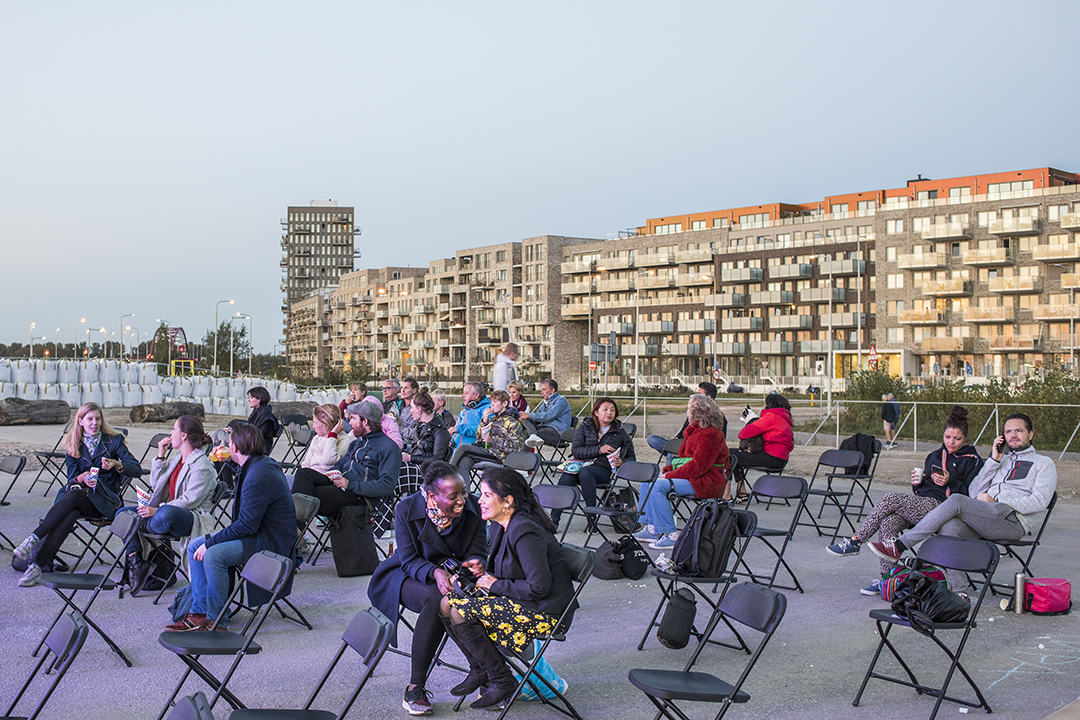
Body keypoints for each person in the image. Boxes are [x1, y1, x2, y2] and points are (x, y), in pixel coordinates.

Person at [868, 412, 1057, 595]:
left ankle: (899, 546)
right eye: (1008, 432)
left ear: (1030, 435)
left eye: (1019, 431)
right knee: (950, 527)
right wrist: (993, 460)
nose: (1013, 435)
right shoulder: (1001, 460)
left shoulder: (1043, 463)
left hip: (1012, 521)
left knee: (956, 500)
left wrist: (999, 500)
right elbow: (974, 492)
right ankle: (960, 591)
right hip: (987, 517)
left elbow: (1040, 501)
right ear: (1002, 436)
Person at [441, 467, 578, 710]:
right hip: (521, 601)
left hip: (545, 612)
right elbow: (506, 570)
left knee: (461, 612)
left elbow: (539, 587)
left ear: (507, 501)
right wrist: (477, 576)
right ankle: (481, 669)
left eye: (486, 495)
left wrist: (495, 584)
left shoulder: (525, 530)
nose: (479, 500)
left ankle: (500, 678)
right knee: (447, 602)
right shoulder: (500, 524)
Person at [368, 461, 488, 716]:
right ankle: (415, 687)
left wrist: (478, 563)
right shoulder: (407, 508)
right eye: (453, 496)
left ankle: (486, 672)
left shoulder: (473, 507)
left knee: (461, 598)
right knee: (437, 599)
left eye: (464, 492)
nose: (461, 500)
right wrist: (434, 572)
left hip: (458, 575)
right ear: (432, 495)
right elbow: (409, 559)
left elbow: (479, 549)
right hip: (406, 574)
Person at [826, 406, 984, 596]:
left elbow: (970, 496)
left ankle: (855, 541)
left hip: (944, 508)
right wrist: (917, 484)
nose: (951, 442)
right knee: (888, 523)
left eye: (957, 438)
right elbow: (921, 491)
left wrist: (950, 481)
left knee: (891, 498)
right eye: (948, 437)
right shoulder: (935, 455)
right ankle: (888, 580)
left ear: (965, 437)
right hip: (922, 505)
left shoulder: (973, 460)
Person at [166, 422, 296, 631]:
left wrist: (210, 543)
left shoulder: (258, 475)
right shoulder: (257, 465)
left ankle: (216, 620)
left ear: (236, 447)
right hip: (257, 533)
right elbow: (246, 521)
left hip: (269, 541)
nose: (226, 446)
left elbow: (246, 525)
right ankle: (199, 612)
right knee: (194, 546)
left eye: (229, 442)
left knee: (213, 554)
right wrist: (232, 463)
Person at [15, 402, 141, 587]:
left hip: (106, 502)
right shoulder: (74, 444)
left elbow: (136, 469)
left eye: (97, 418)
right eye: (89, 419)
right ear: (80, 421)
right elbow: (71, 479)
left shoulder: (114, 441)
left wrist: (116, 464)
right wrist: (81, 478)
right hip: (82, 498)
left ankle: (32, 539)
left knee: (73, 499)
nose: (94, 423)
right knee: (71, 511)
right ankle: (37, 566)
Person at [122, 415, 218, 571]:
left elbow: (189, 500)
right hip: (165, 512)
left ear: (184, 435)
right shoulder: (177, 458)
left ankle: (141, 526)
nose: (171, 433)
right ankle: (137, 563)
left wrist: (157, 510)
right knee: (124, 513)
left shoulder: (202, 465)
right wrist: (160, 457)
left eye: (174, 429)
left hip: (190, 516)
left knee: (165, 514)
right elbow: (156, 485)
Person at [634, 394, 729, 550]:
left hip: (707, 480)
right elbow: (684, 460)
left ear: (697, 412)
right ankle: (652, 527)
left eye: (689, 408)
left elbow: (699, 466)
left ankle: (670, 534)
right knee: (648, 480)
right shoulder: (693, 431)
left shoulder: (711, 434)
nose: (687, 412)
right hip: (694, 476)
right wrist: (668, 471)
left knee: (658, 486)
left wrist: (669, 475)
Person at [292, 401, 401, 523]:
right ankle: (296, 531)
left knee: (307, 495)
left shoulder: (388, 447)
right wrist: (333, 472)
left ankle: (294, 533)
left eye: (353, 418)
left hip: (360, 496)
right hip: (341, 485)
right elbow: (340, 464)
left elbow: (386, 486)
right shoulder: (357, 442)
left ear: (364, 421)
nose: (349, 422)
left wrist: (349, 484)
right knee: (303, 474)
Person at [551, 397, 636, 529]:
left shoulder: (619, 431)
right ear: (596, 412)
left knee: (587, 472)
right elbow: (576, 451)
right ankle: (553, 520)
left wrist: (623, 462)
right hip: (580, 466)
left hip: (602, 471)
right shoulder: (586, 427)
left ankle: (592, 518)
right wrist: (599, 450)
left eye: (612, 410)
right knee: (566, 478)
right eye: (605, 409)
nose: (609, 413)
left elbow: (632, 457)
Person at [449, 390, 526, 480]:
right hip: (487, 452)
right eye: (491, 402)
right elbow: (479, 438)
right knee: (464, 462)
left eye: (495, 402)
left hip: (500, 457)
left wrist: (492, 440)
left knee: (463, 448)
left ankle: (446, 474)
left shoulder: (513, 423)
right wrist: (484, 421)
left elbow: (514, 448)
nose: (492, 405)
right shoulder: (493, 419)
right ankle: (465, 493)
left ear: (504, 403)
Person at [729, 393, 794, 500]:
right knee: (737, 456)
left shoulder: (771, 417)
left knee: (729, 454)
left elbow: (743, 434)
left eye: (765, 404)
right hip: (782, 461)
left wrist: (752, 423)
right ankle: (741, 491)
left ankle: (728, 494)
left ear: (768, 405)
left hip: (769, 458)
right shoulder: (785, 419)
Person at [645, 382, 724, 461]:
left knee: (671, 454)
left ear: (708, 397)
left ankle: (675, 459)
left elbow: (718, 442)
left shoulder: (716, 417)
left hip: (694, 447)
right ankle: (677, 453)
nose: (696, 397)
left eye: (699, 394)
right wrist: (677, 437)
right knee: (652, 439)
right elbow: (684, 429)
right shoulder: (695, 413)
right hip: (682, 443)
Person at [296, 404, 352, 477]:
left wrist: (332, 436)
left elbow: (329, 460)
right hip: (309, 477)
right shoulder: (317, 438)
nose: (313, 426)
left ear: (326, 424)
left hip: (327, 478)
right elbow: (306, 463)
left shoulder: (345, 440)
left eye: (315, 422)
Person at [520, 378, 571, 446]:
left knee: (528, 434)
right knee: (524, 422)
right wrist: (524, 418)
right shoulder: (545, 403)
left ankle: (526, 454)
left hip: (557, 432)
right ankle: (533, 435)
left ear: (552, 390)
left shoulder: (561, 400)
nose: (541, 392)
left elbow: (549, 415)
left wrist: (529, 415)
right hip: (544, 429)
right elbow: (537, 417)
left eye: (544, 389)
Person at [451, 381, 490, 449]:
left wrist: (459, 429)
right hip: (455, 449)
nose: (462, 396)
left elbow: (483, 431)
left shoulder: (487, 410)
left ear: (476, 395)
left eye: (466, 393)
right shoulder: (464, 411)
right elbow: (455, 431)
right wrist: (450, 441)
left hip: (471, 452)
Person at [246, 386, 280, 456]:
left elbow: (258, 435)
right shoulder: (258, 412)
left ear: (259, 399)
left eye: (251, 398)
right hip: (252, 443)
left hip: (259, 448)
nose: (248, 400)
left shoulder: (266, 416)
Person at [399, 377, 421, 448]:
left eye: (406, 388)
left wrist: (397, 428)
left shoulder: (418, 408)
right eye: (402, 387)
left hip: (408, 446)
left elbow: (416, 433)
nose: (402, 390)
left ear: (414, 390)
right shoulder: (396, 405)